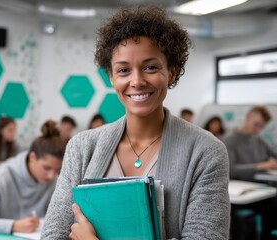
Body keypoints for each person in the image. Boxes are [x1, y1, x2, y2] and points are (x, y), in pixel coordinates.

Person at [41, 5, 229, 240]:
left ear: (171, 71)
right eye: (123, 70)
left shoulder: (206, 151)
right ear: (111, 77)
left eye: (150, 67)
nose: (137, 81)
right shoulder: (81, 147)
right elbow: (53, 235)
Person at [0, 120, 66, 235]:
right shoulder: (1, 177)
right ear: (32, 157)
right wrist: (12, 225)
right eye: (46, 168)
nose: (51, 176)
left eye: (57, 170)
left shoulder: (53, 180)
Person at [222, 105, 277, 181]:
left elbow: (274, 155)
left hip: (261, 183)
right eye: (256, 124)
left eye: (261, 126)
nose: (258, 130)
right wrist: (262, 166)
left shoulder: (258, 139)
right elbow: (230, 170)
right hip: (240, 186)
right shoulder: (229, 140)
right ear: (247, 117)